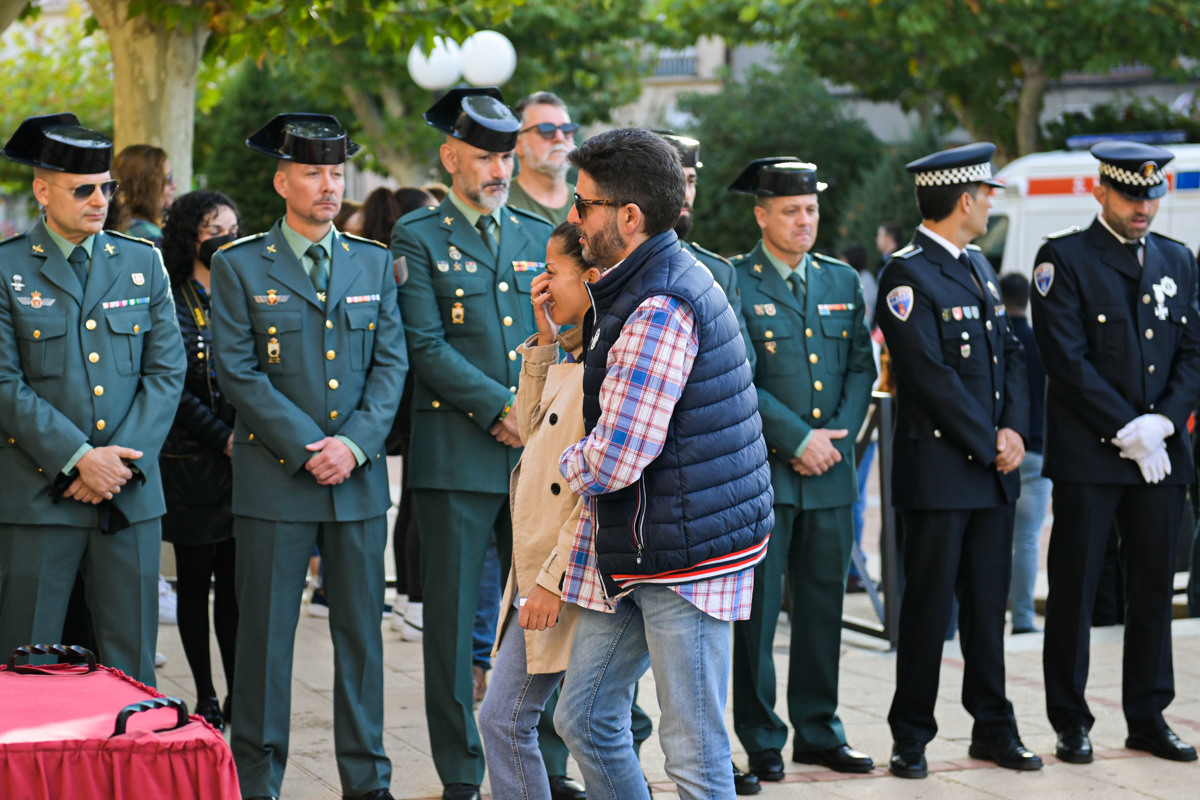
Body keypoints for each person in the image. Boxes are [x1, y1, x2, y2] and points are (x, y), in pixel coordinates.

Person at [554, 127, 774, 800]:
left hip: (688, 554)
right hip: (644, 544)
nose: (572, 217)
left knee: (696, 757)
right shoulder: (642, 279)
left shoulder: (659, 303)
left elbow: (617, 457)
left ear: (628, 217)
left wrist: (558, 464)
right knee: (585, 718)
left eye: (584, 204)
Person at [390, 88, 582, 800]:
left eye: (506, 154)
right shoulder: (419, 234)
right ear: (450, 158)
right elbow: (426, 345)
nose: (499, 168)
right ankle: (461, 772)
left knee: (547, 606)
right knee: (450, 625)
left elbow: (569, 334)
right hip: (458, 457)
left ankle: (549, 766)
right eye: (484, 156)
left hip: (541, 457)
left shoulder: (541, 234)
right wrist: (506, 405)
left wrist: (534, 412)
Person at [210, 112, 407, 800]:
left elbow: (392, 365)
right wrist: (308, 447)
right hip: (275, 483)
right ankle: (257, 781)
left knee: (362, 641)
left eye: (336, 173)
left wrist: (352, 445)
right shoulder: (238, 266)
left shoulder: (373, 262)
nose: (329, 186)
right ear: (281, 180)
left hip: (355, 483)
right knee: (264, 644)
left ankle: (367, 779)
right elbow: (236, 370)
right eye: (315, 173)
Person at [0, 113, 185, 685]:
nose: (99, 199)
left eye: (107, 187)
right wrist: (81, 458)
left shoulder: (140, 260)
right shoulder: (7, 269)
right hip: (37, 500)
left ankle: (129, 776)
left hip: (127, 499)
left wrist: (116, 462)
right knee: (27, 671)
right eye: (83, 189)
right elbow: (5, 382)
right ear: (43, 190)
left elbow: (166, 369)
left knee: (131, 670)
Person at [1032, 141, 1200, 765]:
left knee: (1154, 586)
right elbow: (1066, 360)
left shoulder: (1177, 261)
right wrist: (1125, 427)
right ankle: (1070, 719)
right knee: (1075, 589)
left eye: (1152, 197)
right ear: (1100, 190)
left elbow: (1193, 349)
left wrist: (1160, 422)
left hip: (1158, 453)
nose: (1144, 209)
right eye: (1132, 196)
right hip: (1092, 456)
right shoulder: (1065, 259)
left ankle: (1149, 713)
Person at [876, 142, 1039, 779]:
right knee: (928, 611)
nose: (992, 202)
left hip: (991, 469)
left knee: (986, 609)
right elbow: (929, 376)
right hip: (943, 473)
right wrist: (990, 439)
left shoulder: (976, 264)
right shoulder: (906, 273)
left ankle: (994, 728)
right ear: (965, 200)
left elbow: (1013, 358)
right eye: (988, 193)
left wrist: (1016, 429)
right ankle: (911, 734)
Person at [727, 158, 876, 780]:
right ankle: (762, 735)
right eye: (791, 210)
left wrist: (835, 435)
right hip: (766, 473)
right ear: (762, 215)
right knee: (757, 615)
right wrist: (798, 438)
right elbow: (737, 374)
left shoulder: (841, 280)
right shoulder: (736, 280)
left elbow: (863, 367)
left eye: (811, 208)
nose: (804, 220)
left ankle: (818, 729)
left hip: (830, 473)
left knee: (822, 610)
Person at [478, 221, 598, 799]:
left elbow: (598, 489)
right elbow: (530, 428)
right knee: (515, 720)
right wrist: (544, 336)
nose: (541, 281)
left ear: (591, 276)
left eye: (553, 270)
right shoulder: (575, 344)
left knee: (577, 727)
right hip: (544, 563)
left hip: (571, 570)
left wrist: (550, 580)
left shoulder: (610, 353)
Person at [159, 189, 242, 729]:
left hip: (243, 464)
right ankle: (205, 693)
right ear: (190, 234)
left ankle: (239, 692)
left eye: (233, 229)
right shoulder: (170, 294)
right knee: (194, 583)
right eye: (214, 229)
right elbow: (173, 385)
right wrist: (222, 435)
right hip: (191, 462)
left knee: (234, 589)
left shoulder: (245, 290)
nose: (225, 240)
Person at [379, 185, 437, 642]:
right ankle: (413, 597)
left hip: (412, 395)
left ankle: (407, 598)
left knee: (413, 504)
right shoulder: (400, 258)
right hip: (417, 395)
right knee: (416, 503)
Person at [657, 131, 754, 373]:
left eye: (691, 181)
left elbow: (743, 364)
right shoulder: (608, 263)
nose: (686, 194)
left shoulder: (718, 272)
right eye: (675, 181)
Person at [999, 272, 1050, 635]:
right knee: (1027, 540)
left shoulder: (997, 340)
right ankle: (1022, 618)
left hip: (998, 450)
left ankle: (985, 613)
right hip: (1036, 450)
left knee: (991, 539)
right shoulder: (1040, 342)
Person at [838, 241, 877, 594]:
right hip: (824, 438)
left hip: (854, 430)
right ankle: (852, 567)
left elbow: (864, 365)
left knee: (856, 500)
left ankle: (853, 568)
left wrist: (841, 433)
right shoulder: (853, 280)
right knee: (856, 501)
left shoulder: (850, 282)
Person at [506, 91, 577, 224]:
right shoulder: (499, 203)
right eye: (547, 130)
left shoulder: (589, 202)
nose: (560, 138)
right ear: (518, 144)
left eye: (567, 129)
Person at [110, 143, 176, 247]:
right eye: (168, 179)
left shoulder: (118, 226)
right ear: (146, 185)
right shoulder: (146, 234)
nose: (174, 186)